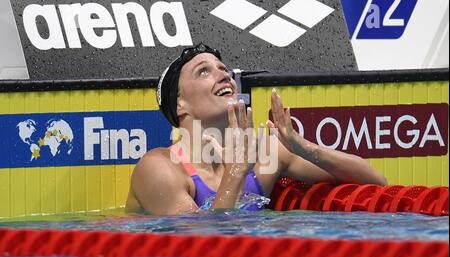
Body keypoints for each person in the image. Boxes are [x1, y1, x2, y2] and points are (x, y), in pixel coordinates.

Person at [125, 44, 387, 214]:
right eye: (203, 72)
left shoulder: (265, 154)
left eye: (223, 69)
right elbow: (203, 250)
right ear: (180, 104)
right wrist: (237, 170)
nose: (223, 75)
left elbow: (375, 181)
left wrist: (301, 147)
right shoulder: (160, 168)